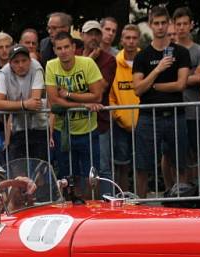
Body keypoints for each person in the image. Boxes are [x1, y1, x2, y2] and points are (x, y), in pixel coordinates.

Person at [132, 6, 190, 197]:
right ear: (150, 25)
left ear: (169, 24)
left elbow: (181, 84)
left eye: (163, 23)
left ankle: (183, 203)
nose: (160, 27)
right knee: (142, 165)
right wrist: (157, 70)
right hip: (149, 116)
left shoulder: (180, 53)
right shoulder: (142, 56)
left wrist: (155, 86)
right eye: (156, 23)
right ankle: (140, 206)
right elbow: (138, 89)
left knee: (180, 163)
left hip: (175, 114)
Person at [45, 32, 104, 189]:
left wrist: (69, 95)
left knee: (92, 178)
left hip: (88, 130)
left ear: (73, 47)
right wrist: (84, 104)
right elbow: (54, 102)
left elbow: (97, 96)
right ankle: (72, 211)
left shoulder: (87, 63)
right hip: (63, 132)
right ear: (55, 50)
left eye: (66, 47)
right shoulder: (51, 65)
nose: (63, 51)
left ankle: (93, 210)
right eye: (59, 48)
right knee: (67, 180)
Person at [0, 44, 49, 160]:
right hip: (17, 127)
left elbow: (35, 102)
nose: (21, 65)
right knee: (18, 170)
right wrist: (24, 104)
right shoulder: (4, 72)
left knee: (40, 170)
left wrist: (10, 105)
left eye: (24, 60)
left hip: (40, 127)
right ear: (10, 63)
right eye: (16, 62)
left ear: (30, 60)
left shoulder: (36, 68)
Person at [174, 7, 200, 182]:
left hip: (195, 110)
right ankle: (175, 190)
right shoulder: (169, 50)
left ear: (191, 25)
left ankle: (196, 188)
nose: (181, 27)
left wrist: (180, 79)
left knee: (196, 152)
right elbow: (168, 79)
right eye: (178, 24)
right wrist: (192, 74)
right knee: (173, 154)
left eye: (185, 23)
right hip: (174, 110)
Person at [81, 21, 116, 185]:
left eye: (97, 34)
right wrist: (88, 60)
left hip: (99, 121)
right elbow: (69, 86)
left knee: (103, 168)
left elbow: (100, 88)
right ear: (82, 36)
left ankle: (107, 205)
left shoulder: (109, 60)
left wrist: (89, 63)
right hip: (77, 121)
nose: (93, 37)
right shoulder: (73, 55)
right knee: (80, 168)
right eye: (89, 34)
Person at [108, 24, 141, 192]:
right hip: (121, 123)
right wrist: (116, 114)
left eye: (134, 38)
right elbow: (110, 94)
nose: (131, 41)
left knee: (142, 165)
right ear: (121, 40)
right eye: (127, 38)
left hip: (143, 120)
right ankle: (123, 200)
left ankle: (141, 203)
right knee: (122, 165)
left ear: (139, 40)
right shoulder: (114, 62)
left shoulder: (145, 59)